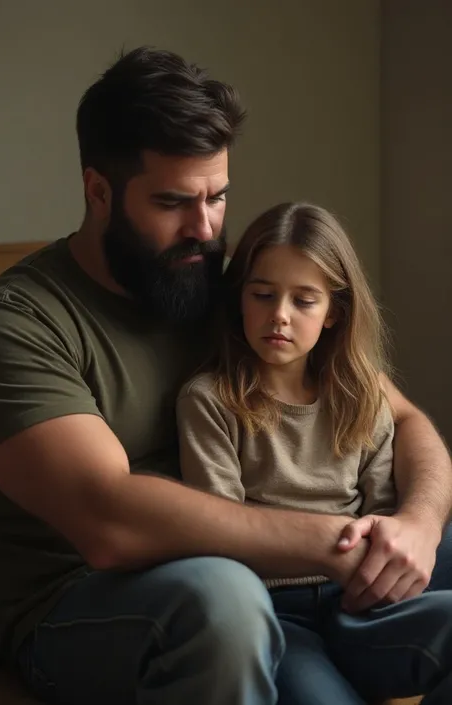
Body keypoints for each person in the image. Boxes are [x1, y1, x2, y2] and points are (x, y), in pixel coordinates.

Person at [0, 47, 450, 705]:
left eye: (217, 196)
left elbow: (399, 416)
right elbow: (110, 521)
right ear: (99, 191)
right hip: (85, 605)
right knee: (223, 597)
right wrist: (338, 540)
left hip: (284, 578)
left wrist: (418, 525)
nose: (204, 228)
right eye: (173, 202)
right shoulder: (18, 323)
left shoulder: (231, 293)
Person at [177, 201, 452, 703]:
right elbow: (217, 530)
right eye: (263, 294)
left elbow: (382, 507)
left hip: (366, 601)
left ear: (333, 314)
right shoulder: (209, 400)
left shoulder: (360, 394)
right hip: (280, 611)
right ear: (240, 298)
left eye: (304, 301)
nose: (278, 315)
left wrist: (389, 551)